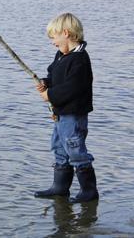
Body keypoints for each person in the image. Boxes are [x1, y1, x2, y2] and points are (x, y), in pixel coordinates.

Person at [34, 13, 99, 203]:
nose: (52, 42)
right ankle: (60, 187)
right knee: (59, 148)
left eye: (53, 37)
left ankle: (89, 191)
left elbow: (73, 88)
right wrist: (46, 83)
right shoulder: (61, 56)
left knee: (75, 149)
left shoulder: (79, 59)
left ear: (66, 33)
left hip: (73, 114)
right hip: (61, 114)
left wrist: (50, 96)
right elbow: (55, 77)